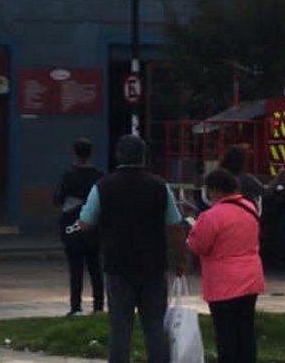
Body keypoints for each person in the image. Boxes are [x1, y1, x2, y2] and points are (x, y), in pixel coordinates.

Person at [78, 134, 188, 363]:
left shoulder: (103, 186)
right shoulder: (160, 187)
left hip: (118, 266)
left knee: (120, 329)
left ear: (118, 156)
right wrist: (180, 260)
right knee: (155, 327)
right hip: (153, 266)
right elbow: (176, 227)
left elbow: (86, 224)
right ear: (143, 157)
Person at [187, 169, 264, 363]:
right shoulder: (250, 207)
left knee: (225, 332)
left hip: (223, 283)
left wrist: (192, 231)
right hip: (250, 277)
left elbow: (199, 246)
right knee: (245, 330)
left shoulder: (212, 216)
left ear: (215, 190)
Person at [53, 137, 104, 317]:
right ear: (91, 153)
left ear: (74, 153)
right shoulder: (99, 176)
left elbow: (57, 199)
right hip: (94, 227)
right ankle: (98, 306)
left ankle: (76, 307)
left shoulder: (68, 175)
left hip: (71, 226)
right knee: (95, 267)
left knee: (76, 269)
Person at [218, 143, 285, 212]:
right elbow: (265, 192)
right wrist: (279, 177)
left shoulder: (221, 178)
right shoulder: (246, 179)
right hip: (245, 213)